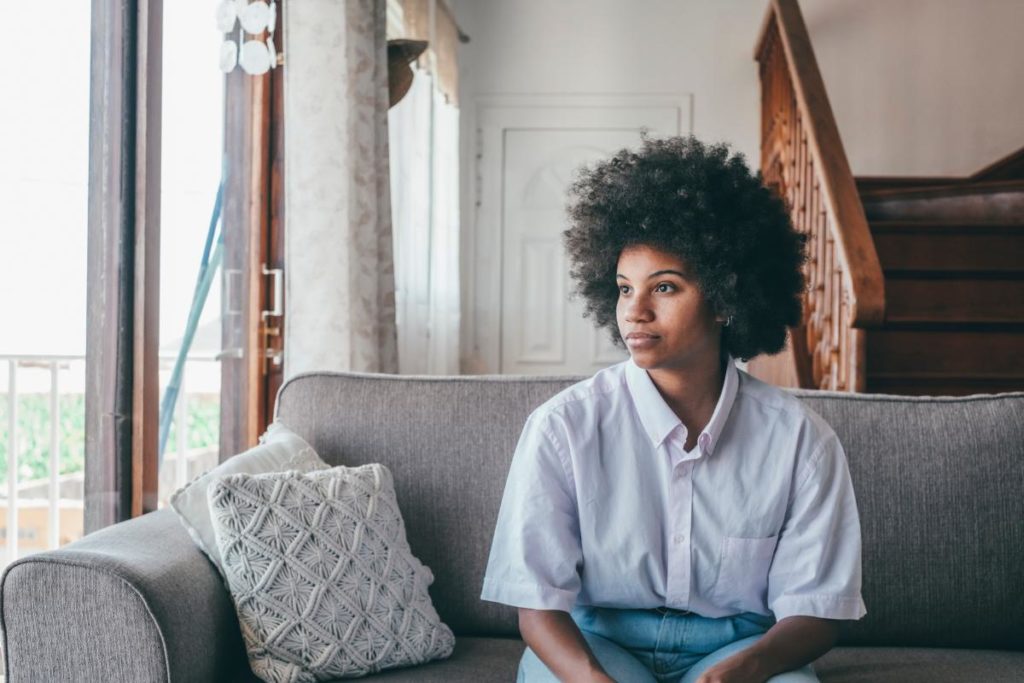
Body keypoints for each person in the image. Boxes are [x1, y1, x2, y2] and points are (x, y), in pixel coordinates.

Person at [479, 135, 866, 683]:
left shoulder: (801, 439)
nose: (633, 311)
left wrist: (742, 669)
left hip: (740, 649)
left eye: (664, 287)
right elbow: (536, 604)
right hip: (598, 644)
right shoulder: (562, 427)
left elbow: (816, 610)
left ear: (728, 297)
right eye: (622, 288)